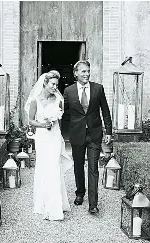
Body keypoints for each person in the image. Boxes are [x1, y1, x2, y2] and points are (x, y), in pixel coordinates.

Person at [63, 60, 112, 213]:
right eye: (83, 71)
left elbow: (105, 110)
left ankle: (93, 204)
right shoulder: (68, 91)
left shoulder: (98, 88)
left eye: (88, 71)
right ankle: (80, 193)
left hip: (94, 134)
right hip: (77, 134)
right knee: (78, 166)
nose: (87, 74)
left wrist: (108, 131)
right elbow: (63, 114)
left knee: (93, 168)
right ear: (76, 73)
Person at [25, 71, 72, 221]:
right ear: (44, 83)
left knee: (54, 168)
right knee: (44, 168)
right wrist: (43, 124)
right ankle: (43, 204)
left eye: (56, 85)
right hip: (43, 138)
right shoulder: (35, 100)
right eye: (52, 84)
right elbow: (31, 121)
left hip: (55, 137)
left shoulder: (58, 99)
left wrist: (54, 119)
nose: (55, 87)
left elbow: (60, 118)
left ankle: (55, 207)